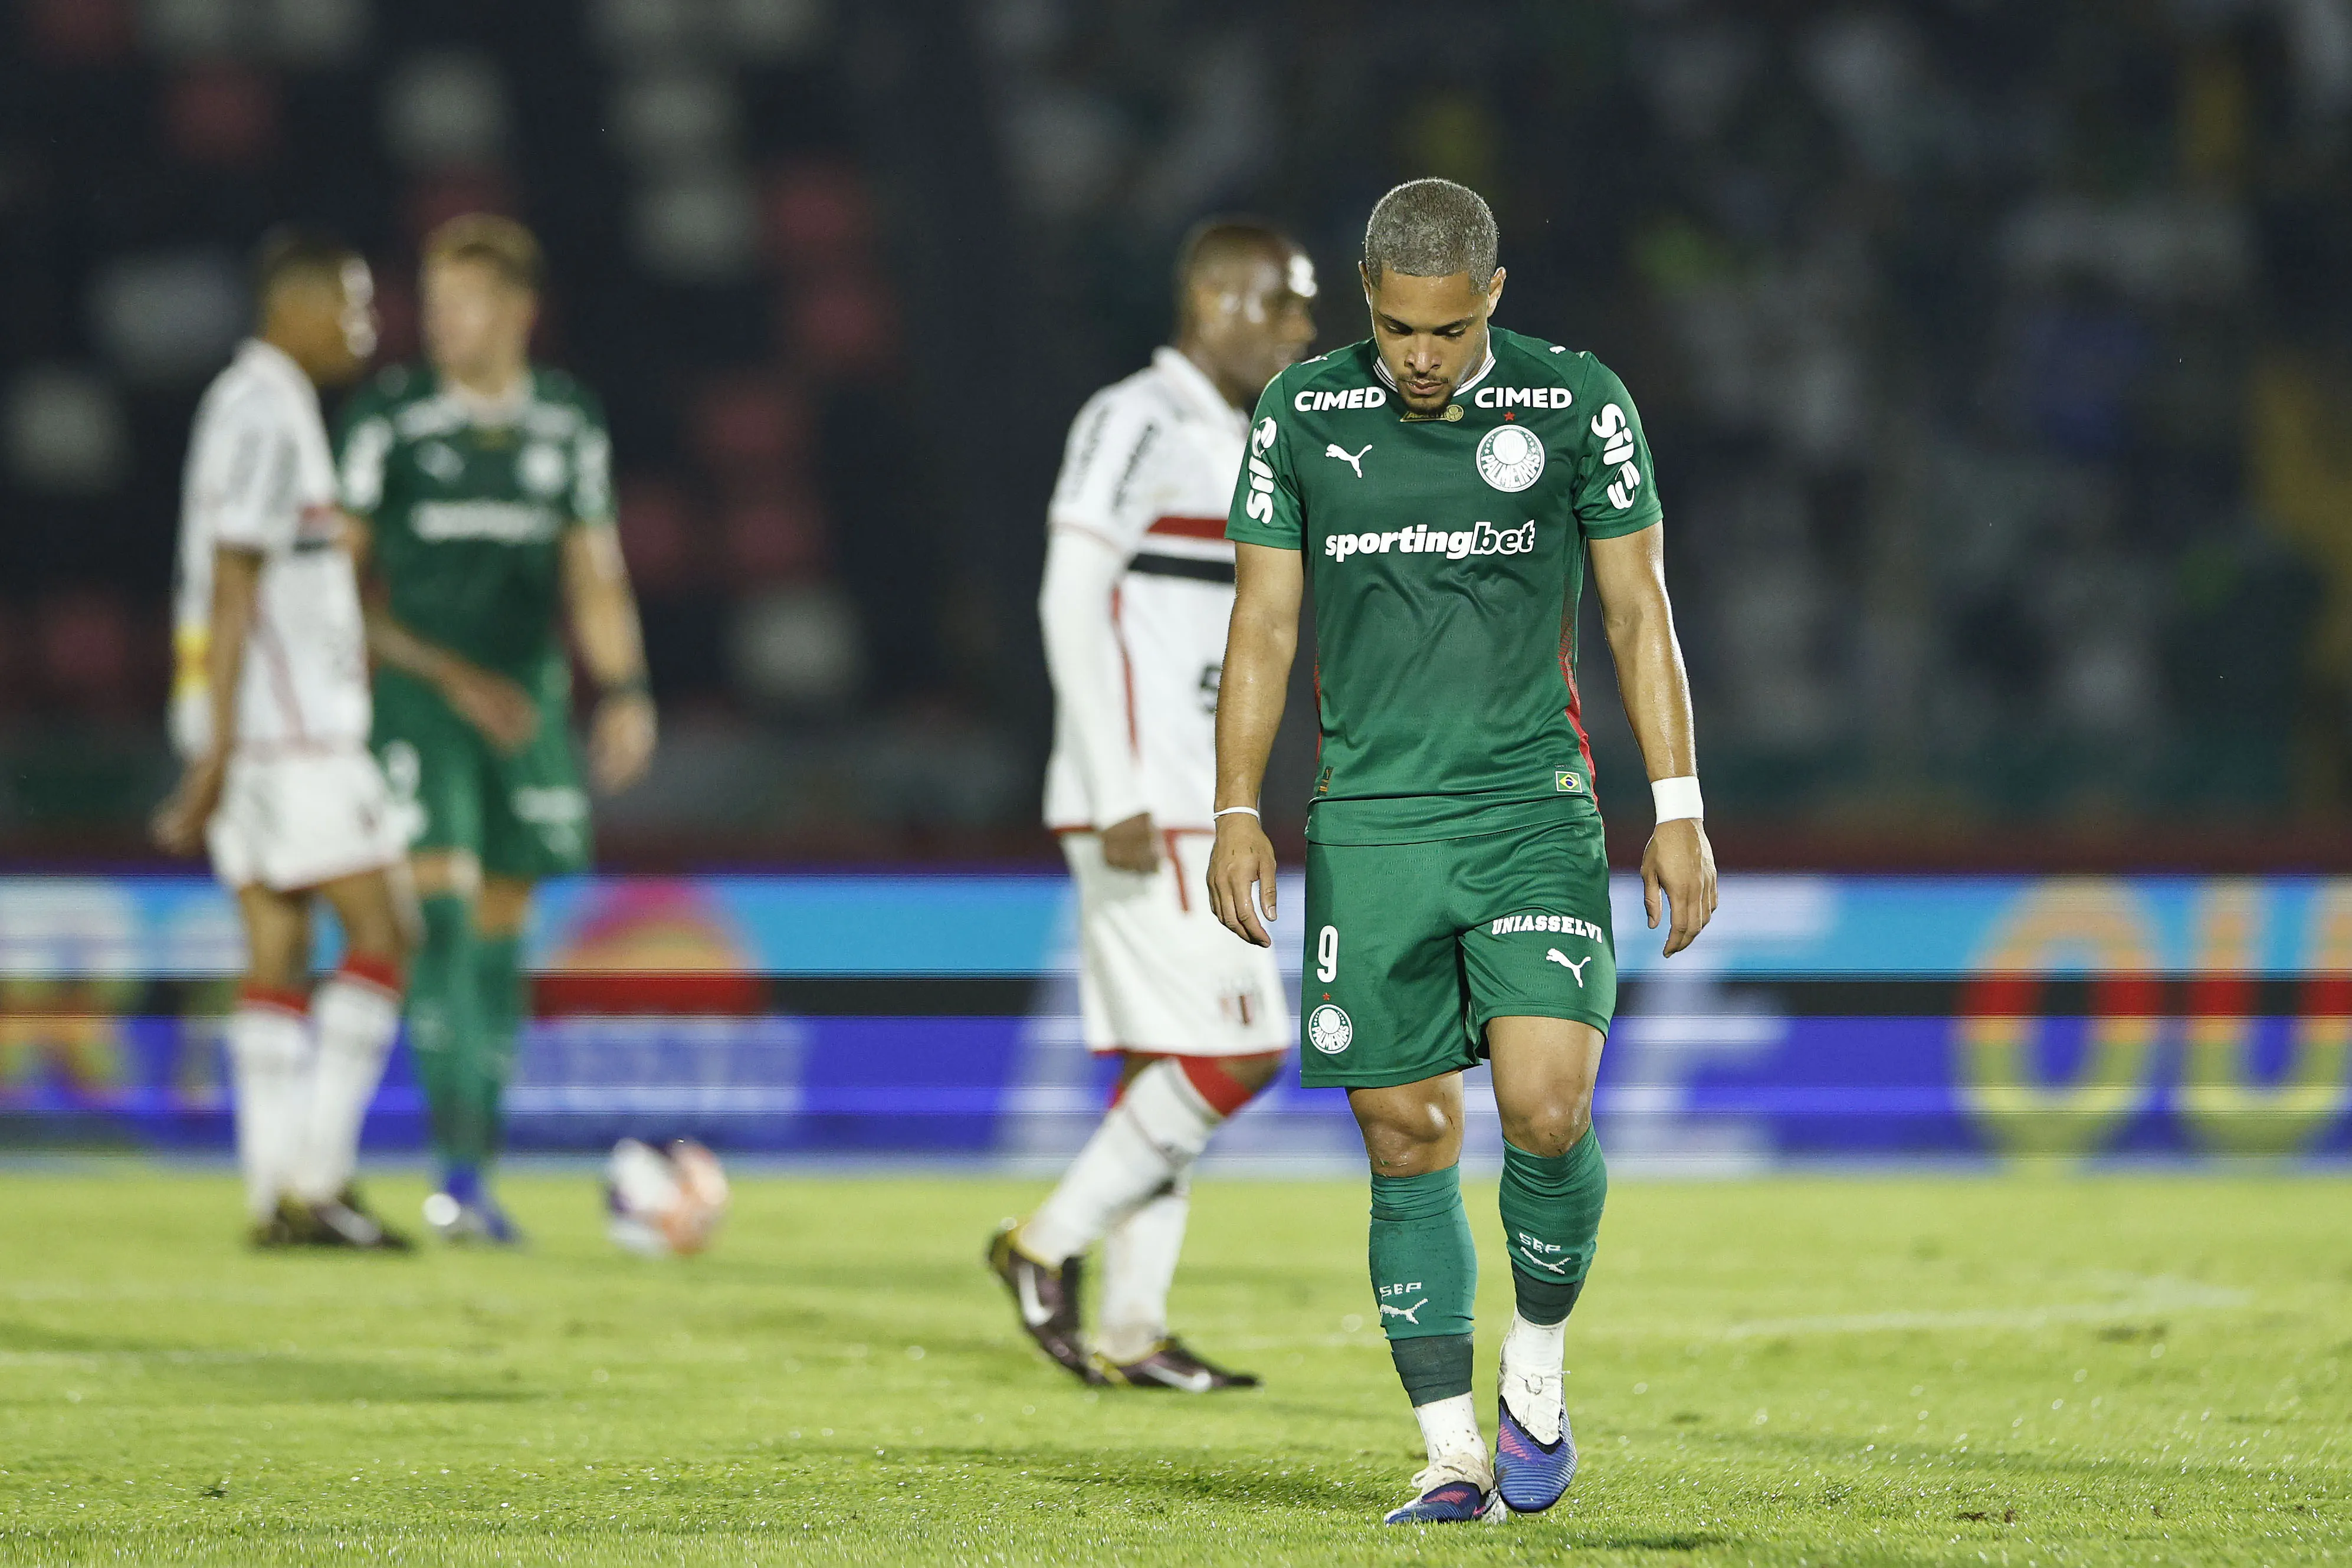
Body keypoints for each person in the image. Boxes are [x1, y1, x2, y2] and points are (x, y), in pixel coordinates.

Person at [1208, 179, 1718, 1523]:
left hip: (1528, 811)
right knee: (1404, 1133)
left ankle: (1535, 1367)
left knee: (1548, 1110)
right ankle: (1448, 1455)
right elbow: (1262, 624)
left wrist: (1678, 808)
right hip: (1370, 826)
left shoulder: (1576, 403)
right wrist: (1235, 808)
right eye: (1393, 329)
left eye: (1442, 331)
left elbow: (1635, 607)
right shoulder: (1302, 414)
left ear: (1492, 293)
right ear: (1366, 292)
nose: (1418, 359)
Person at [987, 219, 1318, 1389]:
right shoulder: (1135, 417)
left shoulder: (1236, 433)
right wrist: (1116, 780)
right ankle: (1040, 1247)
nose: (1302, 332)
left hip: (1192, 790)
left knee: (1165, 1066)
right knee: (1245, 1052)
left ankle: (1132, 1326)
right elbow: (1069, 595)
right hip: (1144, 797)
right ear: (1218, 303)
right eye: (1285, 307)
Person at [335, 214, 656, 1244]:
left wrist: (626, 687)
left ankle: (479, 1169)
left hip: (527, 699)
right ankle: (456, 1174)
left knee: (502, 931)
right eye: (431, 305)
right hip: (422, 700)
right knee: (441, 908)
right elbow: (335, 589)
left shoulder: (565, 421)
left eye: (464, 304)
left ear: (519, 311)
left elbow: (592, 568)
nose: (442, 325)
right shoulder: (389, 418)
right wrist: (447, 674)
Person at [153, 229, 414, 1251]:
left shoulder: (257, 406)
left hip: (256, 722)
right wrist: (217, 752)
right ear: (293, 308)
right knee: (388, 929)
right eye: (348, 307)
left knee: (279, 943)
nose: (364, 327)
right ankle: (320, 1180)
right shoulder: (265, 410)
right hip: (285, 730)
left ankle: (274, 1192)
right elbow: (233, 577)